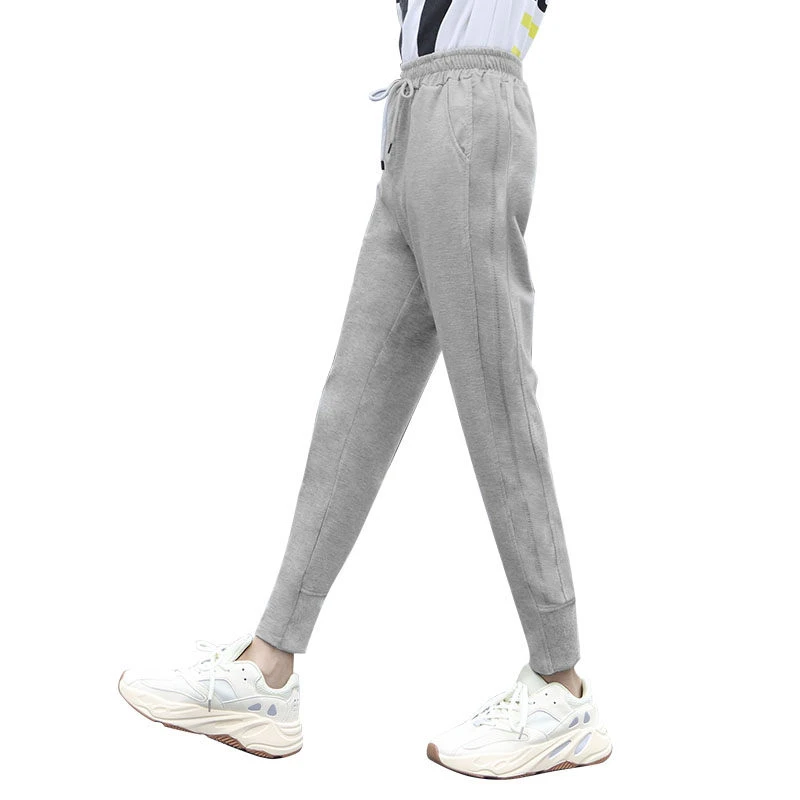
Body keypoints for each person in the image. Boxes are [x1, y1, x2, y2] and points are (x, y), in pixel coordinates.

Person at [119, 1, 613, 779]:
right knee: (356, 400)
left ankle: (561, 686)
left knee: (496, 398)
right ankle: (269, 668)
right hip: (414, 116)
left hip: (473, 108)